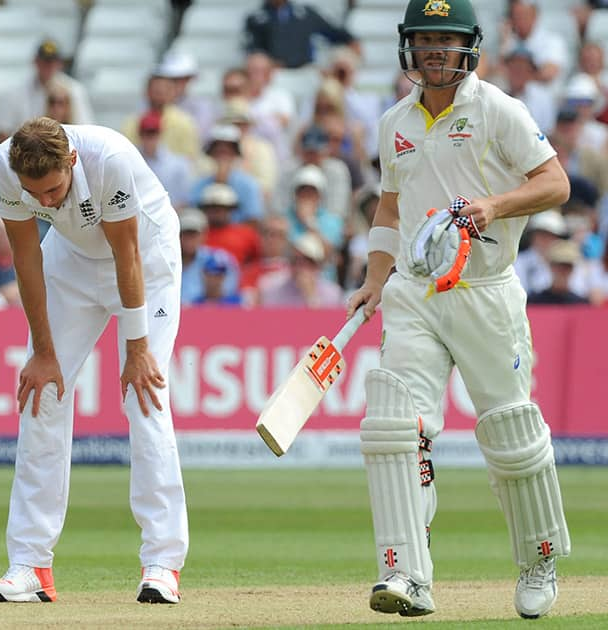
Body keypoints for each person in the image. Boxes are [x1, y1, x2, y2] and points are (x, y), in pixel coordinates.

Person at [347, 0, 571, 620]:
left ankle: (539, 557)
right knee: (396, 427)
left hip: (486, 291)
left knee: (509, 433)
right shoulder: (396, 119)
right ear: (409, 49)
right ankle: (406, 574)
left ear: (469, 46)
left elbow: (556, 183)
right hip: (414, 295)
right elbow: (390, 209)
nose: (435, 51)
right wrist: (373, 279)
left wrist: (496, 206)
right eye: (425, 40)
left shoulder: (499, 109)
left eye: (446, 40)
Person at [0, 116, 188, 605]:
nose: (48, 201)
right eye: (39, 196)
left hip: (148, 265)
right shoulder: (5, 165)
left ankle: (161, 563)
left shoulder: (108, 157)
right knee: (43, 396)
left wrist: (137, 348)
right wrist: (43, 351)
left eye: (54, 190)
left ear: (71, 160)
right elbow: (26, 256)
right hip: (71, 262)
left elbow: (128, 254)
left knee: (145, 399)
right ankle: (30, 564)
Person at [243, 0, 357, 69]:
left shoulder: (306, 15)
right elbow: (252, 50)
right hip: (274, 76)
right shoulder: (256, 19)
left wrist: (351, 41)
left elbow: (335, 33)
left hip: (305, 72)